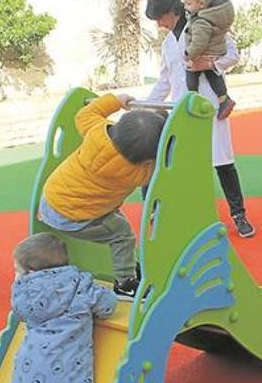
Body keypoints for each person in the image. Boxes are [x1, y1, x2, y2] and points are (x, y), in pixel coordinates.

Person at [143, 0, 255, 238]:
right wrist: (146, 105)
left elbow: (233, 55)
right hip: (182, 113)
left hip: (209, 108)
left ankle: (239, 215)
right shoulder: (167, 43)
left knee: (223, 162)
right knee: (183, 167)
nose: (159, 25)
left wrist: (211, 64)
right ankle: (189, 217)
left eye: (160, 18)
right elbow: (165, 80)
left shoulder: (204, 26)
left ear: (173, 12)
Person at [38, 93, 166, 299]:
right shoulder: (138, 172)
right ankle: (125, 283)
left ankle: (129, 266)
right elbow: (163, 166)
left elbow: (85, 114)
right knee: (122, 235)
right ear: (146, 159)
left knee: (115, 219)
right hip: (74, 217)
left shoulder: (96, 131)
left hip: (51, 198)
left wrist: (116, 101)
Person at [11, 232, 117, 383]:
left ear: (31, 273)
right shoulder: (80, 285)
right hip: (63, 380)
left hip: (26, 377)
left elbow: (20, 314)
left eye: (17, 271)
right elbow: (107, 306)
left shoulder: (24, 293)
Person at [182, 0, 237, 119]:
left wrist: (188, 54)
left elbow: (199, 42)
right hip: (214, 53)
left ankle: (193, 97)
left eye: (188, 4)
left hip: (205, 53)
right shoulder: (213, 20)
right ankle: (223, 98)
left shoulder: (201, 22)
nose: (185, 7)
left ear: (200, 4)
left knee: (191, 72)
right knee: (213, 75)